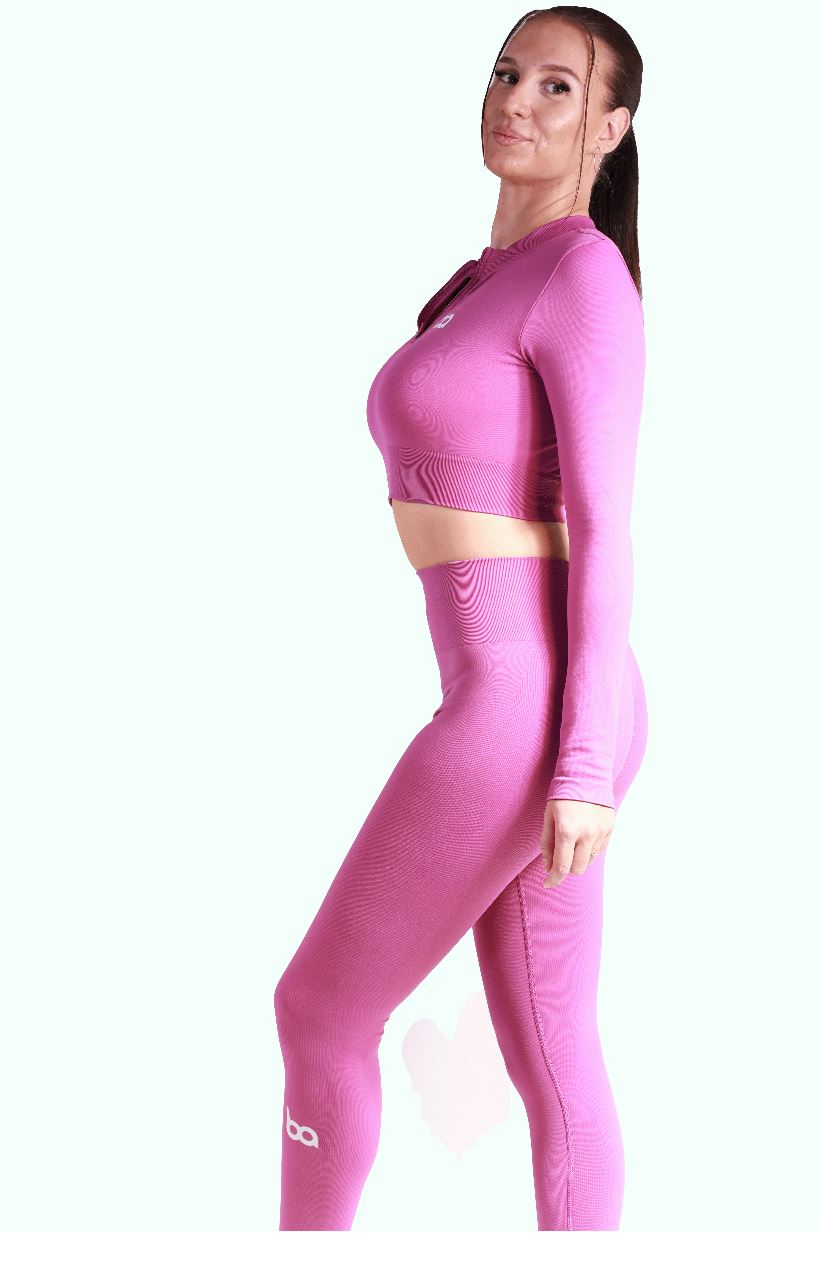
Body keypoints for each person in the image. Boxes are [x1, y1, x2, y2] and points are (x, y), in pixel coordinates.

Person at [274, 5, 649, 1231]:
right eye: (504, 72)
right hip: (512, 689)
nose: (515, 100)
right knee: (552, 1051)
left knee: (319, 1012)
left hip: (532, 704)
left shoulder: (582, 275)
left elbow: (604, 524)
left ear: (610, 127)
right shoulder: (486, 280)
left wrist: (582, 764)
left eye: (557, 86)